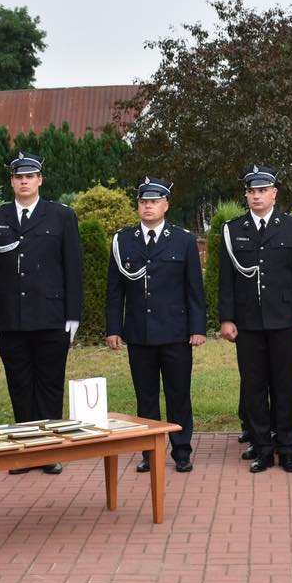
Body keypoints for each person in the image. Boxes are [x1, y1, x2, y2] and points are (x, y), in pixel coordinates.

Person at [0, 152, 82, 475]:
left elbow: (73, 267)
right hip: (11, 318)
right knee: (20, 385)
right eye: (18, 177)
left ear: (40, 180)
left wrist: (73, 315)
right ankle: (25, 451)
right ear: (12, 181)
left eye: (29, 176)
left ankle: (49, 451)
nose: (24, 181)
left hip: (51, 316)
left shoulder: (61, 216)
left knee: (50, 385)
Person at [105, 177, 205, 474]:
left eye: (154, 201)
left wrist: (197, 328)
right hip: (140, 332)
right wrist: (113, 328)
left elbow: (194, 289)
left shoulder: (183, 240)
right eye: (143, 202)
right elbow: (115, 291)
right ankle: (149, 452)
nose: (148, 206)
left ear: (166, 205)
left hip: (175, 332)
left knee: (178, 395)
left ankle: (182, 450)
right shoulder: (124, 240)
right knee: (145, 396)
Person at [219, 165, 292, 473]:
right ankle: (262, 448)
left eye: (262, 191)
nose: (256, 196)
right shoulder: (233, 229)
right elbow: (226, 280)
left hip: (285, 321)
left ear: (274, 194)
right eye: (251, 191)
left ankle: (287, 448)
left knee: (285, 387)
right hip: (248, 322)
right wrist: (227, 319)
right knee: (254, 387)